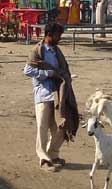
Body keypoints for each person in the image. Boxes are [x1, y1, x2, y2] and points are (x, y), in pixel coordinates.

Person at [24, 23, 79, 172]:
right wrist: (47, 74)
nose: (59, 38)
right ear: (49, 34)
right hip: (43, 93)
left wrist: (64, 79)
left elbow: (63, 71)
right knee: (42, 127)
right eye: (57, 35)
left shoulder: (56, 52)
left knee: (61, 126)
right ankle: (44, 159)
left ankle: (53, 154)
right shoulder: (38, 50)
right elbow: (27, 70)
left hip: (58, 94)